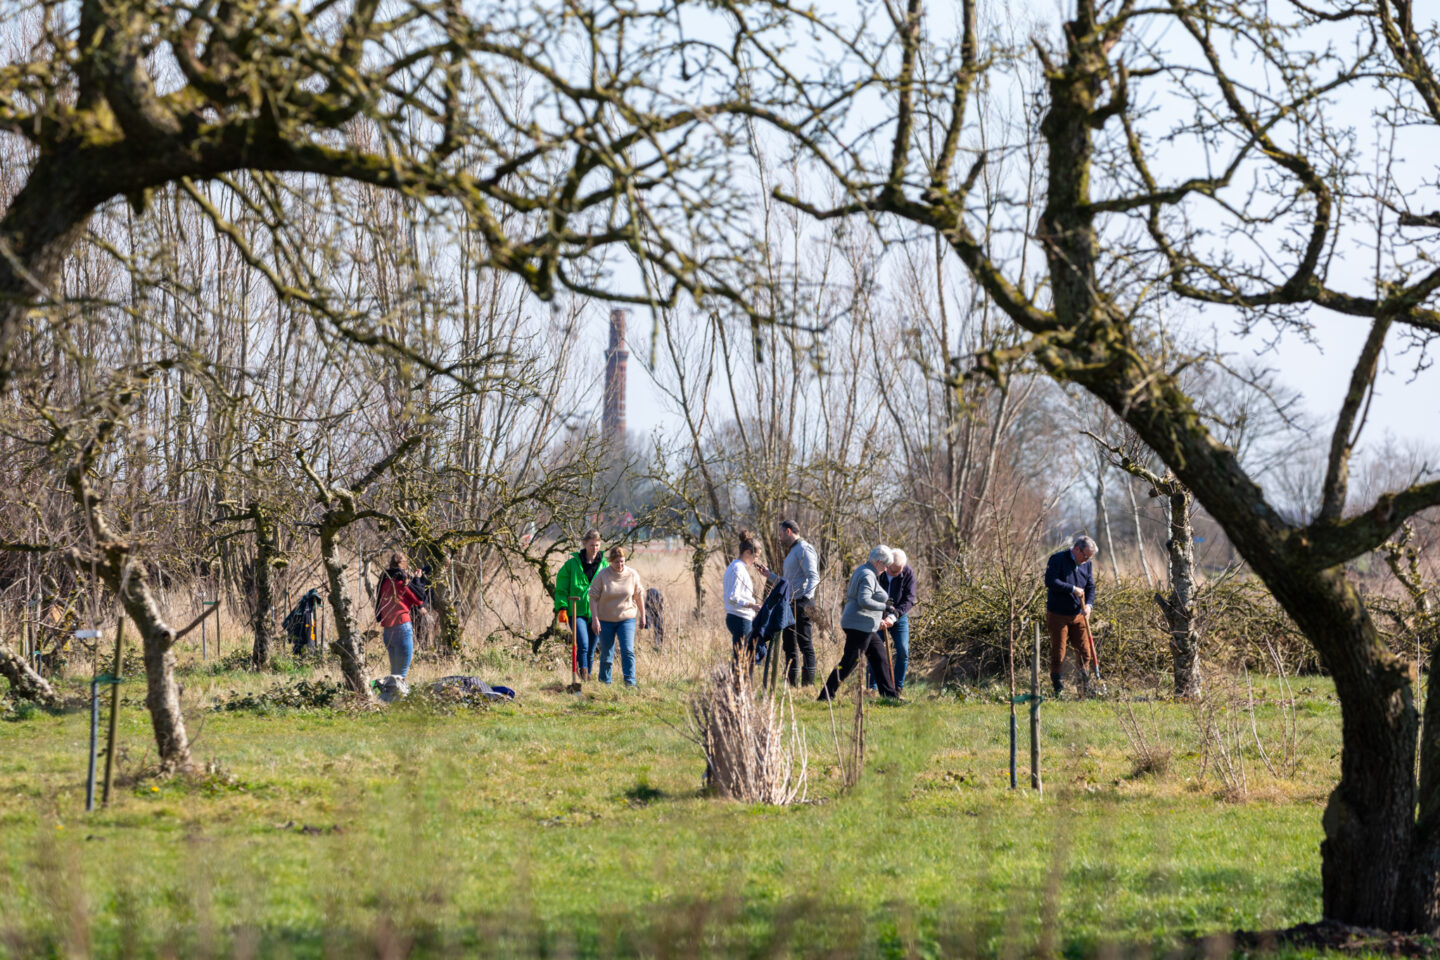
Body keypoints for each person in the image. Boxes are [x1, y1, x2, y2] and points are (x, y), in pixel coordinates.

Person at [819, 545, 900, 701]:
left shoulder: (863, 570)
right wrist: (886, 607)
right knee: (849, 663)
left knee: (880, 658)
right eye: (885, 565)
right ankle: (825, 696)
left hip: (865, 625)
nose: (885, 569)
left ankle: (890, 696)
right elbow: (864, 600)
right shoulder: (868, 575)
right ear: (878, 562)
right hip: (859, 625)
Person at [756, 520, 820, 686]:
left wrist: (805, 600)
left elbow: (814, 576)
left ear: (789, 531)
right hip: (789, 604)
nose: (780, 538)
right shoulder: (793, 551)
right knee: (789, 644)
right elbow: (788, 583)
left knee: (805, 644)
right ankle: (792, 685)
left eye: (781, 534)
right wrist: (769, 575)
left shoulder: (804, 549)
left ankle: (808, 685)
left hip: (802, 603)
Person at [1045, 535, 1098, 696]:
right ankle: (1058, 688)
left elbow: (1090, 586)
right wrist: (1072, 589)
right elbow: (1050, 581)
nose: (1087, 559)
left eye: (1090, 557)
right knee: (1058, 653)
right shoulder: (1057, 559)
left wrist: (1089, 605)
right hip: (1058, 614)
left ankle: (1083, 687)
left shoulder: (1087, 564)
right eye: (1085, 555)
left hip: (1079, 615)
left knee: (1085, 652)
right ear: (1076, 549)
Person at [589, 545, 647, 686]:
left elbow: (638, 596)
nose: (620, 565)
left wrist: (643, 616)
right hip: (606, 620)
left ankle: (630, 683)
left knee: (627, 651)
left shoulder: (632, 574)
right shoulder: (603, 575)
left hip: (626, 619)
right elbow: (593, 597)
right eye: (616, 562)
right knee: (607, 655)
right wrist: (595, 619)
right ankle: (605, 683)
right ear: (610, 561)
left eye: (622, 561)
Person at [554, 529, 607, 680]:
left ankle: (587, 676)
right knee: (583, 644)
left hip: (597, 613)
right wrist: (562, 608)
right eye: (592, 545)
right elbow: (561, 587)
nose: (595, 548)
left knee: (591, 648)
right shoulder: (572, 564)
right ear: (584, 544)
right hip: (576, 612)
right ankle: (583, 675)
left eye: (597, 545)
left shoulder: (604, 565)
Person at [868, 548, 918, 693]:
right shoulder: (877, 572)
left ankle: (897, 688)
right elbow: (867, 596)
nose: (896, 574)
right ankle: (871, 688)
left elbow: (909, 599)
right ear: (887, 564)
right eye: (893, 571)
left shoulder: (908, 573)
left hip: (899, 617)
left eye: (899, 571)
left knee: (903, 651)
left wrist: (894, 615)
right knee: (874, 651)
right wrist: (878, 616)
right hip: (877, 616)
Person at [376, 552, 425, 678]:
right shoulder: (401, 581)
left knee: (395, 674)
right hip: (402, 627)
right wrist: (418, 580)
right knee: (401, 675)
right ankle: (399, 696)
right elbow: (419, 599)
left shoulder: (384, 580)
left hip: (387, 630)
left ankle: (390, 696)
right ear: (403, 564)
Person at [723, 530, 764, 654]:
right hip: (740, 618)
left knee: (742, 656)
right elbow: (733, 597)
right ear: (747, 552)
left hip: (737, 617)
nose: (756, 560)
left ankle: (739, 674)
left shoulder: (734, 567)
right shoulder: (738, 569)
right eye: (756, 556)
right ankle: (738, 674)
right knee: (741, 658)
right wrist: (753, 605)